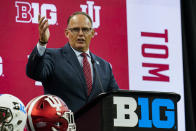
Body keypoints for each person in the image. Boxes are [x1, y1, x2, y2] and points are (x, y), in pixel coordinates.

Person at [26, 11, 119, 113]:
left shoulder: (104, 66)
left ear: (92, 33)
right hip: (64, 125)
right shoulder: (52, 56)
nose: (80, 34)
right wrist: (42, 43)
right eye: (75, 29)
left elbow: (117, 99)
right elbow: (34, 73)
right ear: (67, 33)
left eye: (85, 29)